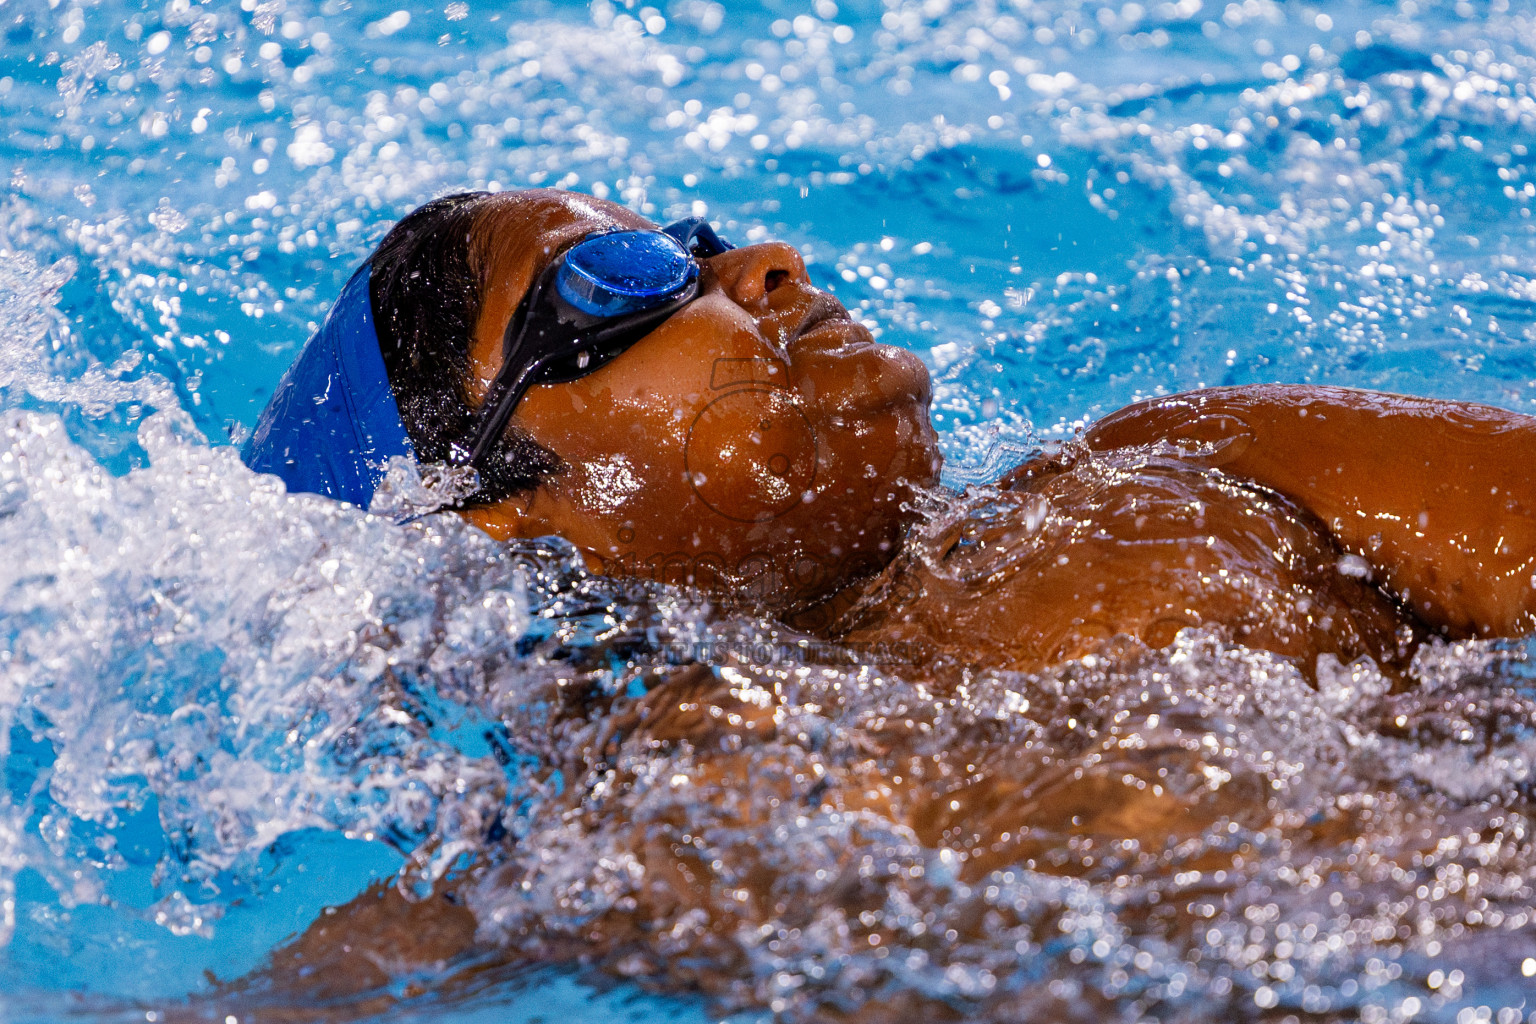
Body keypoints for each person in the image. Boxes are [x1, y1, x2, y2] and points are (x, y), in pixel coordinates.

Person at [228, 187, 1536, 1016]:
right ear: (492, 508)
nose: (765, 263)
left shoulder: (1187, 465)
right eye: (617, 274)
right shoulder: (607, 844)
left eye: (701, 240)